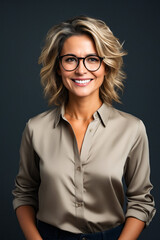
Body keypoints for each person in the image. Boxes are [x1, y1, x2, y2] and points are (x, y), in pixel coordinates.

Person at [12, 16, 156, 240]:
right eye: (71, 59)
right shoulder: (36, 128)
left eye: (92, 59)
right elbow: (24, 194)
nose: (81, 70)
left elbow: (141, 201)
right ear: (59, 67)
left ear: (106, 67)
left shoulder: (132, 129)